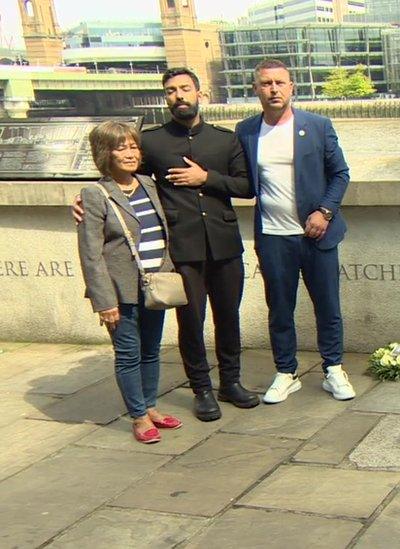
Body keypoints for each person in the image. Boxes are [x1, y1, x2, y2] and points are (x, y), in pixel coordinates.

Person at [74, 68, 259, 422]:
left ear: (199, 93)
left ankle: (231, 382)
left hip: (224, 244)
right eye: (171, 91)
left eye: (185, 89)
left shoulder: (225, 139)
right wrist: (83, 200)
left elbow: (246, 186)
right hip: (180, 249)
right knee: (191, 320)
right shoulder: (153, 141)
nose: (179, 96)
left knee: (228, 317)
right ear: (166, 97)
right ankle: (202, 389)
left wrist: (207, 178)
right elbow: (119, 172)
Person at [235, 59, 355, 404]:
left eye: (280, 83)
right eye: (266, 84)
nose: (273, 89)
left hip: (316, 234)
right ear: (256, 89)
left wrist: (325, 212)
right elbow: (240, 181)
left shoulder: (317, 126)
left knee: (328, 306)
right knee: (280, 309)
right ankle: (286, 372)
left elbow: (340, 174)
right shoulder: (246, 131)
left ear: (292, 88)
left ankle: (333, 368)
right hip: (273, 237)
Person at [77, 121, 182, 444]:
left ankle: (150, 406)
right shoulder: (95, 194)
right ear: (105, 153)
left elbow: (163, 229)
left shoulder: (148, 184)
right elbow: (90, 254)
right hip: (119, 291)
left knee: (151, 351)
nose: (130, 153)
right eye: (121, 147)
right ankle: (137, 416)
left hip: (154, 285)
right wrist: (104, 301)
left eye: (133, 146)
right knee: (128, 354)